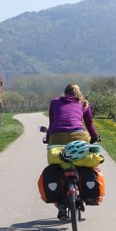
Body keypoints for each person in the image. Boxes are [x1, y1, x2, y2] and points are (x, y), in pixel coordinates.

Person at [47, 84, 99, 219]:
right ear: (78, 92)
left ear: (64, 93)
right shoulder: (83, 103)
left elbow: (52, 123)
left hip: (56, 137)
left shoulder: (55, 102)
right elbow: (89, 123)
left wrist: (48, 138)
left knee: (57, 167)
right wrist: (94, 137)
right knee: (84, 163)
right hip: (79, 136)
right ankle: (86, 193)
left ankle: (60, 205)